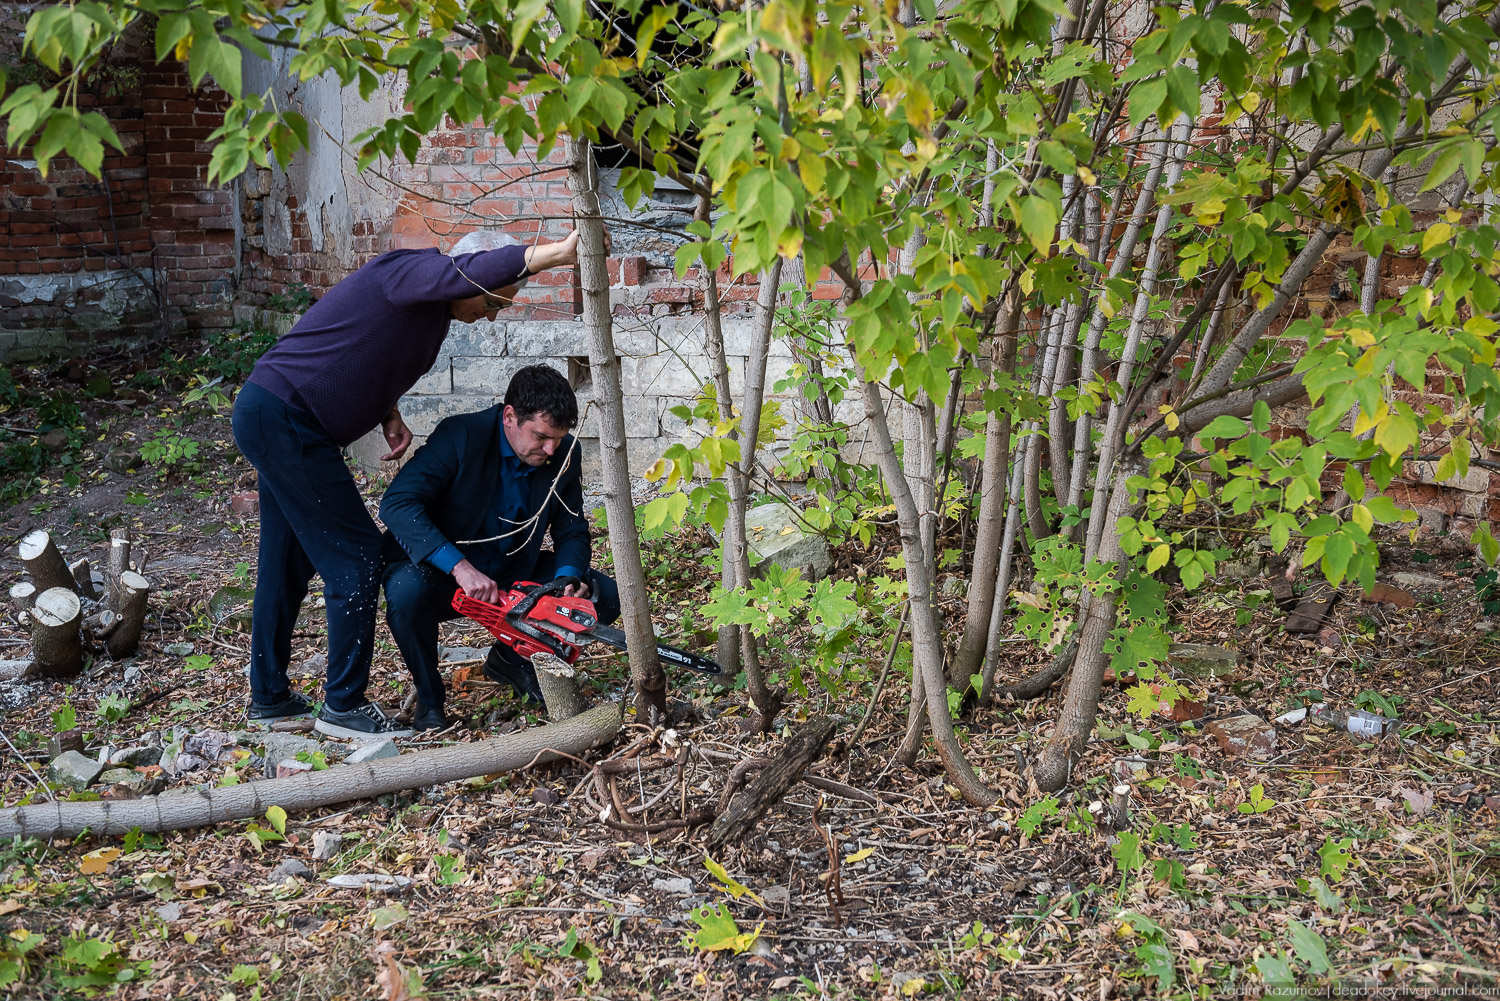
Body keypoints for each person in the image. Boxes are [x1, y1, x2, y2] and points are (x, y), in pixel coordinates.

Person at [231, 230, 583, 740]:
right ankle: (344, 705)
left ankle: (269, 699)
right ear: (470, 272)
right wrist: (548, 256)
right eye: (491, 300)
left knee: (285, 562)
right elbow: (461, 272)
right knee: (356, 557)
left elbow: (369, 357)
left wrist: (386, 412)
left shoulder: (429, 318)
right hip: (288, 419)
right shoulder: (409, 271)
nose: (491, 313)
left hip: (282, 418)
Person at [378, 365, 620, 731]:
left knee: (603, 596)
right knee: (404, 591)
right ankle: (430, 699)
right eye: (540, 436)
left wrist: (567, 578)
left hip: (514, 571)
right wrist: (459, 567)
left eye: (558, 437)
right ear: (510, 416)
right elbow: (397, 504)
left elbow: (571, 528)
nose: (550, 448)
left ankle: (510, 659)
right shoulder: (461, 436)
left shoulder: (562, 452)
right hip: (445, 575)